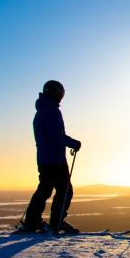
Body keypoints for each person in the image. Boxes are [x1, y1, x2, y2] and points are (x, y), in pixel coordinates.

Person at [19, 80, 82, 234]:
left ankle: (32, 221)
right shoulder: (52, 111)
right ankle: (56, 222)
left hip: (44, 159)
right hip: (55, 159)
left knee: (45, 189)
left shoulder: (41, 111)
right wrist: (73, 143)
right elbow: (55, 135)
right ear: (56, 93)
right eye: (60, 93)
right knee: (65, 190)